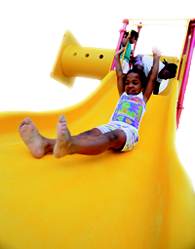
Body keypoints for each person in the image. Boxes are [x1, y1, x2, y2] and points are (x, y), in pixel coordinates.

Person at [18, 48, 161, 159]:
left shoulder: (143, 98)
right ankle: (45, 145)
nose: (130, 86)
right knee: (88, 134)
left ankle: (70, 145)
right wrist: (117, 57)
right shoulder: (122, 94)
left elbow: (153, 78)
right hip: (110, 125)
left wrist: (156, 58)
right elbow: (119, 75)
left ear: (142, 86)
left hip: (128, 131)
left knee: (112, 137)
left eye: (135, 83)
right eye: (128, 83)